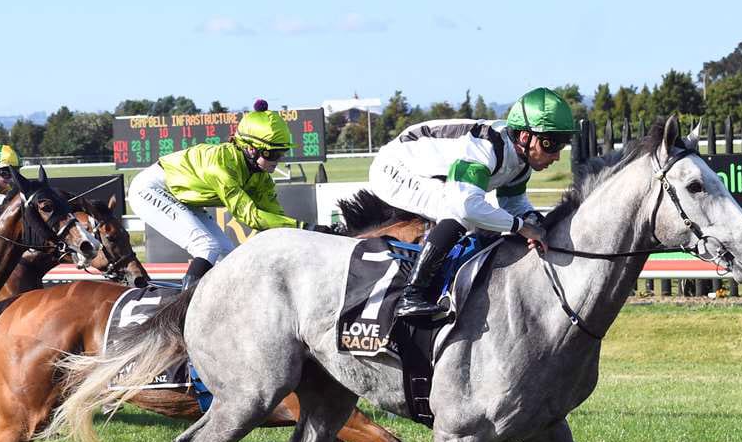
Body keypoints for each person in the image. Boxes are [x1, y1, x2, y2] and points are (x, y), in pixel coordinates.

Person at [369, 86, 577, 320]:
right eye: (551, 144)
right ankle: (411, 295)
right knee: (458, 213)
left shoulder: (520, 164)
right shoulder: (485, 148)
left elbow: (514, 204)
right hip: (394, 168)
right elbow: (466, 207)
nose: (556, 155)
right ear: (524, 137)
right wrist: (522, 227)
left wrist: (537, 224)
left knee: (482, 218)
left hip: (427, 172)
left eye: (562, 144)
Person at [127, 100, 332, 289]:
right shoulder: (222, 166)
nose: (277, 159)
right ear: (250, 149)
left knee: (229, 256)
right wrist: (307, 227)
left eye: (282, 152)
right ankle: (184, 308)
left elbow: (275, 219)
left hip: (182, 196)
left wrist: (312, 234)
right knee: (206, 245)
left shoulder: (261, 177)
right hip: (151, 188)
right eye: (272, 153)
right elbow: (251, 217)